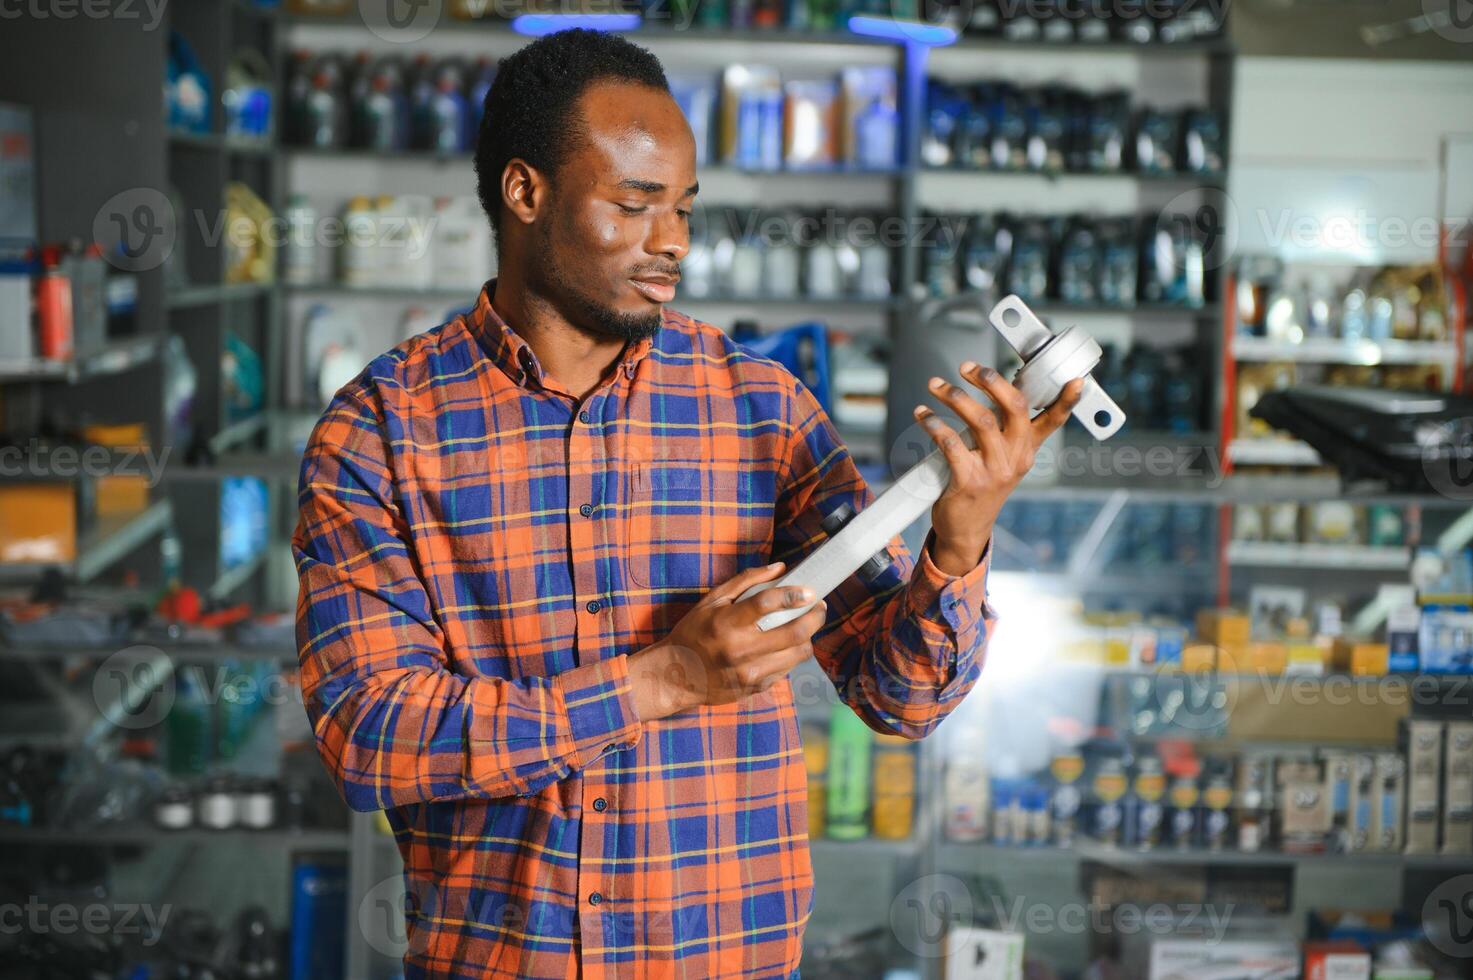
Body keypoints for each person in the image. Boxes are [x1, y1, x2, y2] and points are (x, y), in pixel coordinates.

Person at [292, 28, 1082, 980]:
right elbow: (371, 739)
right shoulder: (381, 429)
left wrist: (959, 536)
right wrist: (661, 680)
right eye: (634, 205)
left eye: (683, 209)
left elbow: (897, 697)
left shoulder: (763, 409)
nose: (671, 242)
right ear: (524, 192)